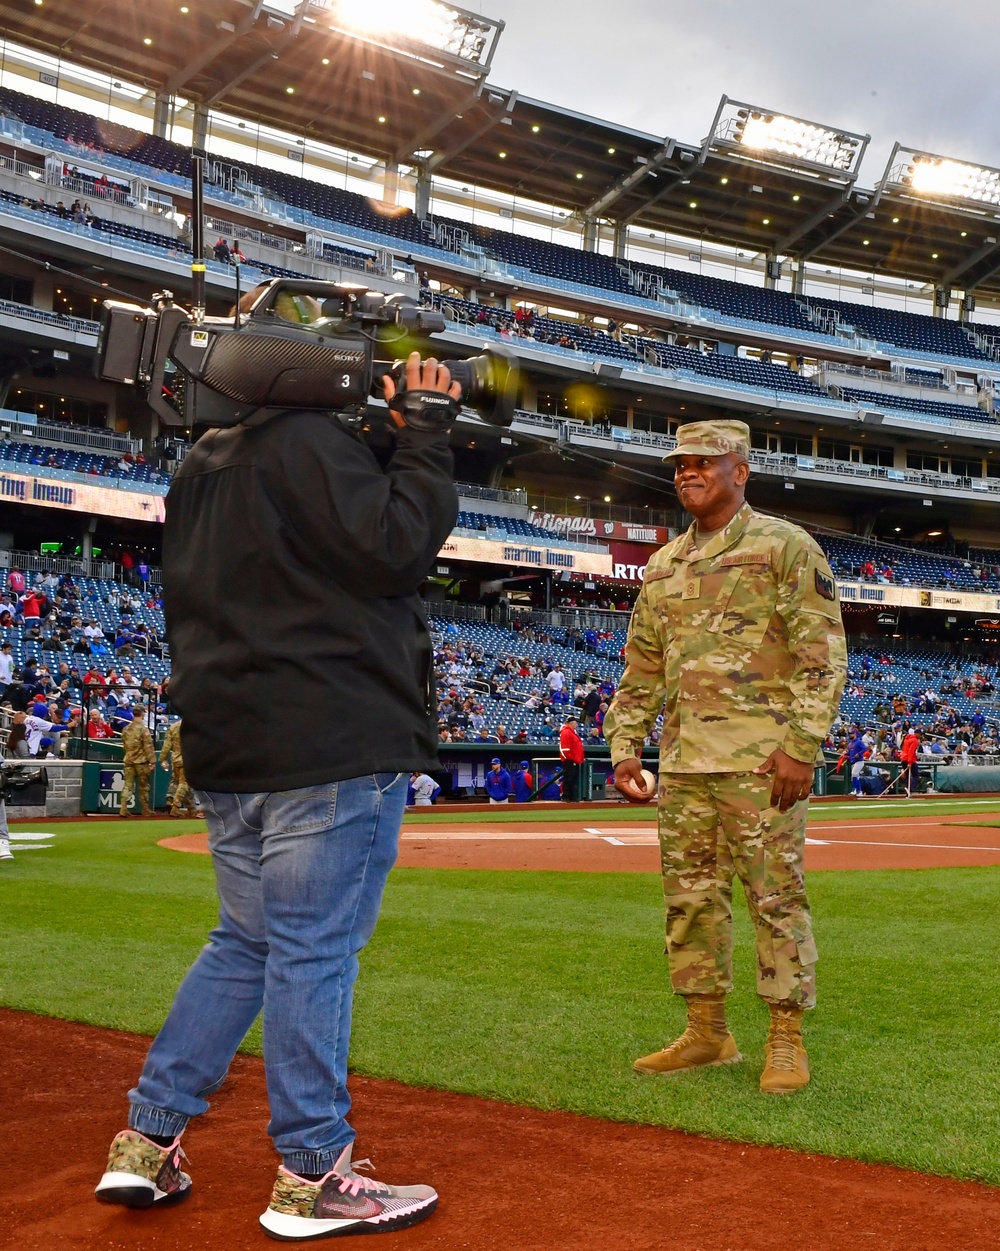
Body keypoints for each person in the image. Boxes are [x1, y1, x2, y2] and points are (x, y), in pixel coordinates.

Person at [94, 351, 459, 1238]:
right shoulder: (311, 446)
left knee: (244, 941)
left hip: (230, 741)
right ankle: (313, 1172)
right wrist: (426, 436)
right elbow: (398, 545)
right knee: (312, 951)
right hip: (326, 737)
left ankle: (145, 1143)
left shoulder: (202, 458)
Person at [604, 419, 846, 1097]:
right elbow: (642, 667)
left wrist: (800, 746)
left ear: (740, 470)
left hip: (762, 765)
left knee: (775, 899)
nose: (688, 471)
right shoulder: (663, 564)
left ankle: (786, 1037)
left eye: (705, 462)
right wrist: (626, 745)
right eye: (681, 462)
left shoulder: (785, 547)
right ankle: (707, 1031)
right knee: (690, 902)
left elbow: (822, 657)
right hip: (683, 766)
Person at [119, 709, 156, 817]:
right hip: (141, 761)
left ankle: (123, 808)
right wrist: (152, 761)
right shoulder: (143, 729)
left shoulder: (126, 728)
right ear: (142, 714)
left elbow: (124, 745)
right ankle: (145, 809)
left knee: (128, 785)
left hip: (129, 760)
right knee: (144, 786)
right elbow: (148, 746)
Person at [159, 718, 197, 818]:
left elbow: (166, 746)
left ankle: (190, 809)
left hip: (175, 759)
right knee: (184, 784)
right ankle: (175, 807)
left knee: (177, 783)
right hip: (187, 759)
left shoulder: (173, 727)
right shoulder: (193, 727)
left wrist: (162, 759)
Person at [558, 716, 584, 801]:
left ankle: (571, 796)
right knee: (568, 778)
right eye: (575, 722)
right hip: (569, 760)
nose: (576, 724)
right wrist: (569, 758)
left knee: (572, 779)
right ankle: (566, 796)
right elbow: (564, 749)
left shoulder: (572, 732)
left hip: (574, 760)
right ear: (570, 723)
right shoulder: (566, 732)